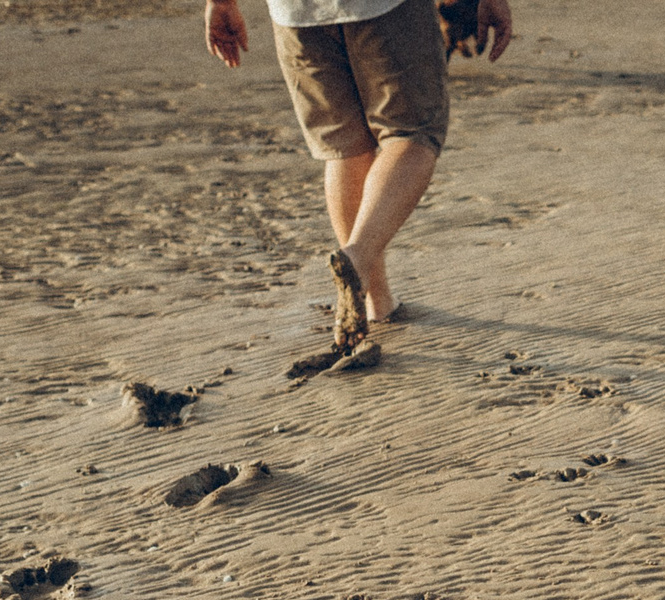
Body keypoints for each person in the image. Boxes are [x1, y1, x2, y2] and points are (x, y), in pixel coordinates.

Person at [205, 0, 513, 359]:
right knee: (411, 134)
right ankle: (358, 256)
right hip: (383, 8)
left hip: (297, 13)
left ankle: (377, 304)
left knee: (345, 146)